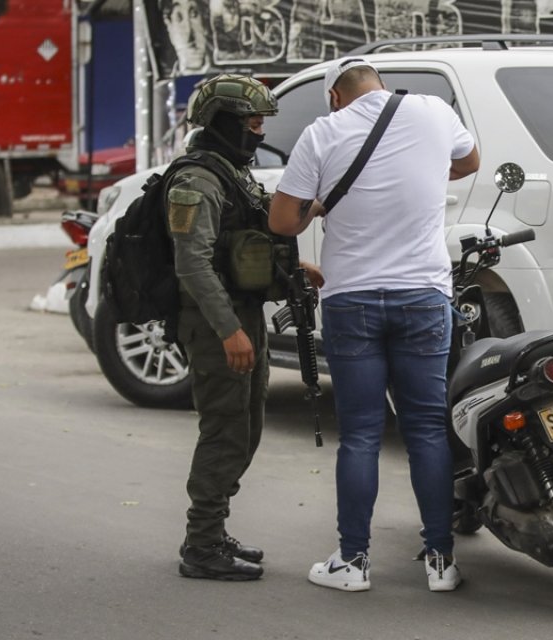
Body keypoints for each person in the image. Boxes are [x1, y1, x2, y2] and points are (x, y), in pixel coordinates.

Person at [268, 58, 480, 593]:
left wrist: (319, 205)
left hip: (353, 299)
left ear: (335, 97)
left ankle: (353, 563)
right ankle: (440, 562)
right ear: (379, 86)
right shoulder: (432, 110)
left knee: (361, 435)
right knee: (427, 429)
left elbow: (281, 221)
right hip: (424, 295)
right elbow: (470, 161)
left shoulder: (324, 130)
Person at [172, 74, 322, 581]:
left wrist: (291, 273)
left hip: (242, 314)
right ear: (224, 124)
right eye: (253, 123)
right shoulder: (197, 181)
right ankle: (201, 545)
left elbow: (242, 245)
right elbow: (192, 264)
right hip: (218, 322)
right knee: (225, 432)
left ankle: (213, 532)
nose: (260, 133)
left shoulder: (229, 173)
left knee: (247, 429)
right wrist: (228, 330)